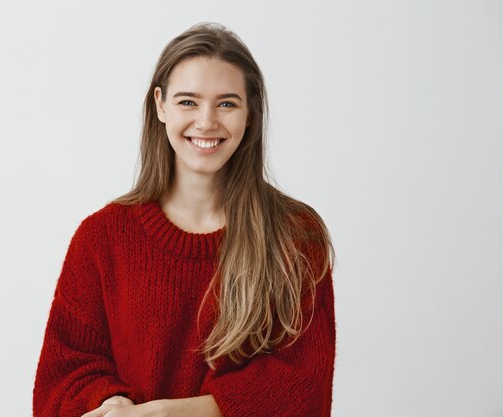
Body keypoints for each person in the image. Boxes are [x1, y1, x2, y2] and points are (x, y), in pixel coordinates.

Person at [32, 22, 336, 417]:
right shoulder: (101, 237)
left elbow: (301, 388)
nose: (206, 122)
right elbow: (64, 373)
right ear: (160, 104)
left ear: (250, 113)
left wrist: (164, 413)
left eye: (226, 103)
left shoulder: (296, 235)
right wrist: (110, 404)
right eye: (188, 102)